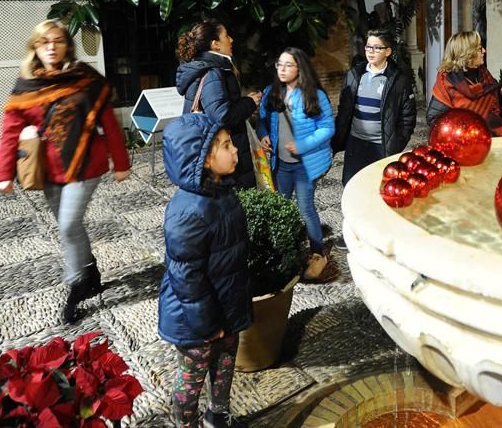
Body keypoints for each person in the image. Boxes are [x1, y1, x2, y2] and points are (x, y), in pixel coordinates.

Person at [0, 19, 130, 324]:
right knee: (71, 225)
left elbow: (109, 123)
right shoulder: (25, 85)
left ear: (68, 45)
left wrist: (121, 163)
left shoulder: (86, 79)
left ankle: (75, 284)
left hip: (86, 165)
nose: (51, 47)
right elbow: (10, 132)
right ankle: (90, 269)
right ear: (35, 48)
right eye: (44, 42)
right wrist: (2, 174)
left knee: (68, 225)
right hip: (49, 169)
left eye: (57, 41)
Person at [159, 113, 250, 428]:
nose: (235, 149)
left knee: (225, 361)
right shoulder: (188, 211)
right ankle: (188, 424)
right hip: (195, 319)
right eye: (225, 145)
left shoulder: (221, 190)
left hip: (225, 304)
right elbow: (186, 277)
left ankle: (218, 417)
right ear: (203, 159)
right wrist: (207, 324)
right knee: (193, 372)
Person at [257, 48, 334, 280]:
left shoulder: (314, 95)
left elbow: (328, 128)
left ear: (300, 68)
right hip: (280, 163)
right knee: (281, 207)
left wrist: (303, 145)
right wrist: (263, 135)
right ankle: (285, 252)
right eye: (279, 64)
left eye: (288, 65)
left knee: (305, 208)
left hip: (304, 165)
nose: (282, 69)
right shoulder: (272, 92)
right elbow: (261, 119)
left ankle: (317, 254)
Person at [175, 20, 262, 189]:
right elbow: (222, 117)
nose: (231, 40)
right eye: (226, 36)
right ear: (215, 44)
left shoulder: (205, 68)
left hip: (214, 154)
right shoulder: (213, 72)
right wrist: (249, 103)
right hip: (221, 157)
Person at [333, 29, 417, 187]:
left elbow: (408, 118)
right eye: (368, 47)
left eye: (377, 48)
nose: (371, 51)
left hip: (381, 146)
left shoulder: (398, 80)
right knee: (352, 186)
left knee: (378, 188)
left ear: (388, 51)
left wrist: (396, 144)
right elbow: (344, 111)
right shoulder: (354, 74)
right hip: (355, 143)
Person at [426, 30, 502, 136]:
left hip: (494, 137)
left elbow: (490, 107)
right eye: (479, 49)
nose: (484, 51)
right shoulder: (447, 81)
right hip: (465, 144)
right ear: (466, 53)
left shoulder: (483, 73)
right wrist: (464, 132)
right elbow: (434, 118)